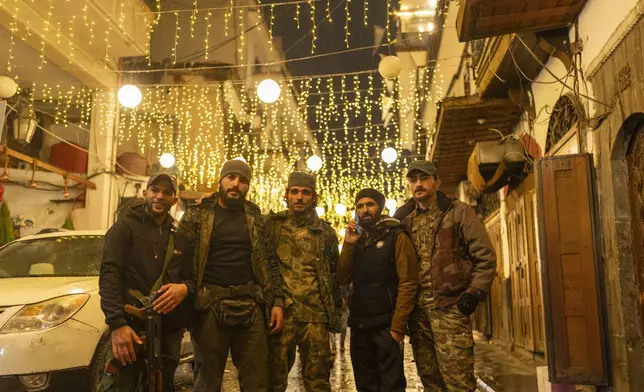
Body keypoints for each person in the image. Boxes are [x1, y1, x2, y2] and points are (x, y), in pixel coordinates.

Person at [176, 159, 284, 392]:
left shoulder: (255, 217)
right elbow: (181, 262)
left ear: (248, 186)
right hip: (210, 305)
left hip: (251, 304)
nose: (236, 184)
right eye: (231, 178)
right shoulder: (197, 216)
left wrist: (276, 300)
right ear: (221, 180)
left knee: (257, 382)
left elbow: (269, 261)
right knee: (207, 381)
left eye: (243, 180)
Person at [396, 160, 496, 392]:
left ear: (436, 181)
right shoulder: (403, 217)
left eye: (424, 179)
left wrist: (473, 292)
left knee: (458, 380)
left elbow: (485, 257)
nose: (418, 184)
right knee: (430, 379)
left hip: (450, 309)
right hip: (418, 315)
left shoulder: (458, 211)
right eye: (413, 180)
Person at [98, 173, 189, 392]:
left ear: (174, 200)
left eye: (167, 193)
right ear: (145, 193)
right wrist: (117, 325)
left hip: (166, 332)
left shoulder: (180, 236)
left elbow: (190, 277)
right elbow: (110, 277)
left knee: (161, 386)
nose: (160, 196)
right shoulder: (124, 228)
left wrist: (185, 289)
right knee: (120, 386)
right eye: (155, 190)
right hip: (130, 328)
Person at [338, 188, 419, 392]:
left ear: (380, 208)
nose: (365, 210)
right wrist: (348, 245)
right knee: (365, 386)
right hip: (360, 327)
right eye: (360, 206)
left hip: (386, 327)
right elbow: (342, 277)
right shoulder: (355, 240)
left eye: (370, 205)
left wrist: (398, 327)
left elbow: (408, 281)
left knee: (391, 386)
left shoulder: (396, 236)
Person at [267, 171, 342, 392]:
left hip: (315, 317)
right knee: (274, 379)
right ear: (287, 195)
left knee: (318, 380)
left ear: (314, 198)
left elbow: (333, 273)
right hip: (282, 315)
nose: (299, 197)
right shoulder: (273, 227)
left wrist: (335, 310)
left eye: (305, 192)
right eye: (295, 191)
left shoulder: (325, 233)